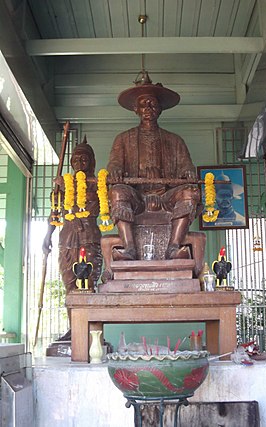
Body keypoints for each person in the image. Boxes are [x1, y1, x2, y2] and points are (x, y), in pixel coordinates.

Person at [107, 71, 201, 260]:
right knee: (117, 192)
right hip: (136, 197)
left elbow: (186, 166)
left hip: (166, 195)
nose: (148, 108)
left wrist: (188, 172)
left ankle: (174, 247)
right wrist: (115, 171)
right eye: (143, 104)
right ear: (136, 109)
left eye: (152, 104)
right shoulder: (124, 139)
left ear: (159, 109)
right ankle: (130, 248)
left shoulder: (174, 140)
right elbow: (113, 165)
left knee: (191, 192)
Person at [42, 137, 102, 336]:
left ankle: (91, 330)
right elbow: (54, 213)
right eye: (76, 160)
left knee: (88, 282)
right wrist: (47, 236)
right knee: (69, 282)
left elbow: (95, 209)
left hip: (89, 238)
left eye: (84, 159)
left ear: (92, 162)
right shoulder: (63, 185)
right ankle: (73, 329)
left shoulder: (98, 185)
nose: (80, 163)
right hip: (67, 239)